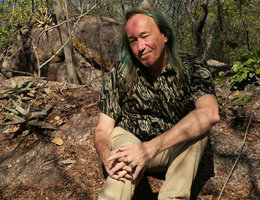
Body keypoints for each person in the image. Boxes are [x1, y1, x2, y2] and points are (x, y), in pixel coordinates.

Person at [94, 7, 220, 200]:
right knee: (120, 169)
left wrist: (149, 149)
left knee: (197, 129)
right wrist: (107, 158)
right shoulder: (120, 71)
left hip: (172, 146)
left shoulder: (193, 67)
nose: (140, 47)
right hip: (130, 138)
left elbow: (210, 113)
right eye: (133, 41)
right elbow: (103, 130)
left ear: (165, 35)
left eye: (145, 36)